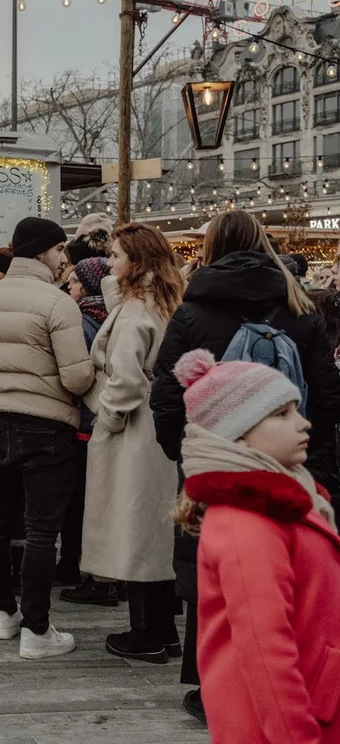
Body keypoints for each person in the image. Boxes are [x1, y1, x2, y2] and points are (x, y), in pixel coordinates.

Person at [150, 210, 340, 717]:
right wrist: (311, 455)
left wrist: (187, 451)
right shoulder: (299, 306)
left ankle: (210, 681)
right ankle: (294, 673)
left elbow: (167, 392)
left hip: (216, 452)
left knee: (211, 564)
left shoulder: (192, 310)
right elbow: (326, 391)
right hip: (289, 460)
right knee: (286, 571)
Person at [172, 349, 340, 744]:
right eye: (282, 414)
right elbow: (266, 652)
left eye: (297, 410)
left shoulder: (290, 497)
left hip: (317, 701)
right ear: (239, 432)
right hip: (280, 725)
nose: (303, 424)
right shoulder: (245, 520)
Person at [0, 217, 95, 659]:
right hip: (49, 427)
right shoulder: (58, 304)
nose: (63, 261)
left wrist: (2, 391)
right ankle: (37, 629)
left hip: (0, 423)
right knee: (40, 529)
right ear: (41, 253)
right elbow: (76, 377)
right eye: (58, 252)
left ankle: (5, 614)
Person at [81, 224, 185, 662]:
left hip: (133, 432)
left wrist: (105, 420)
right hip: (158, 431)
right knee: (156, 533)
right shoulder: (166, 303)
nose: (111, 262)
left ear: (137, 262)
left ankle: (147, 634)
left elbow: (123, 379)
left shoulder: (136, 311)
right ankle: (164, 630)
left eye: (119, 255)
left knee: (135, 529)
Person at [56, 256, 111, 597]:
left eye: (75, 282)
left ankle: (80, 568)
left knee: (79, 500)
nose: (70, 286)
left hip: (84, 420)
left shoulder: (81, 320)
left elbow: (76, 372)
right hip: (105, 421)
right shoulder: (112, 315)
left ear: (88, 286)